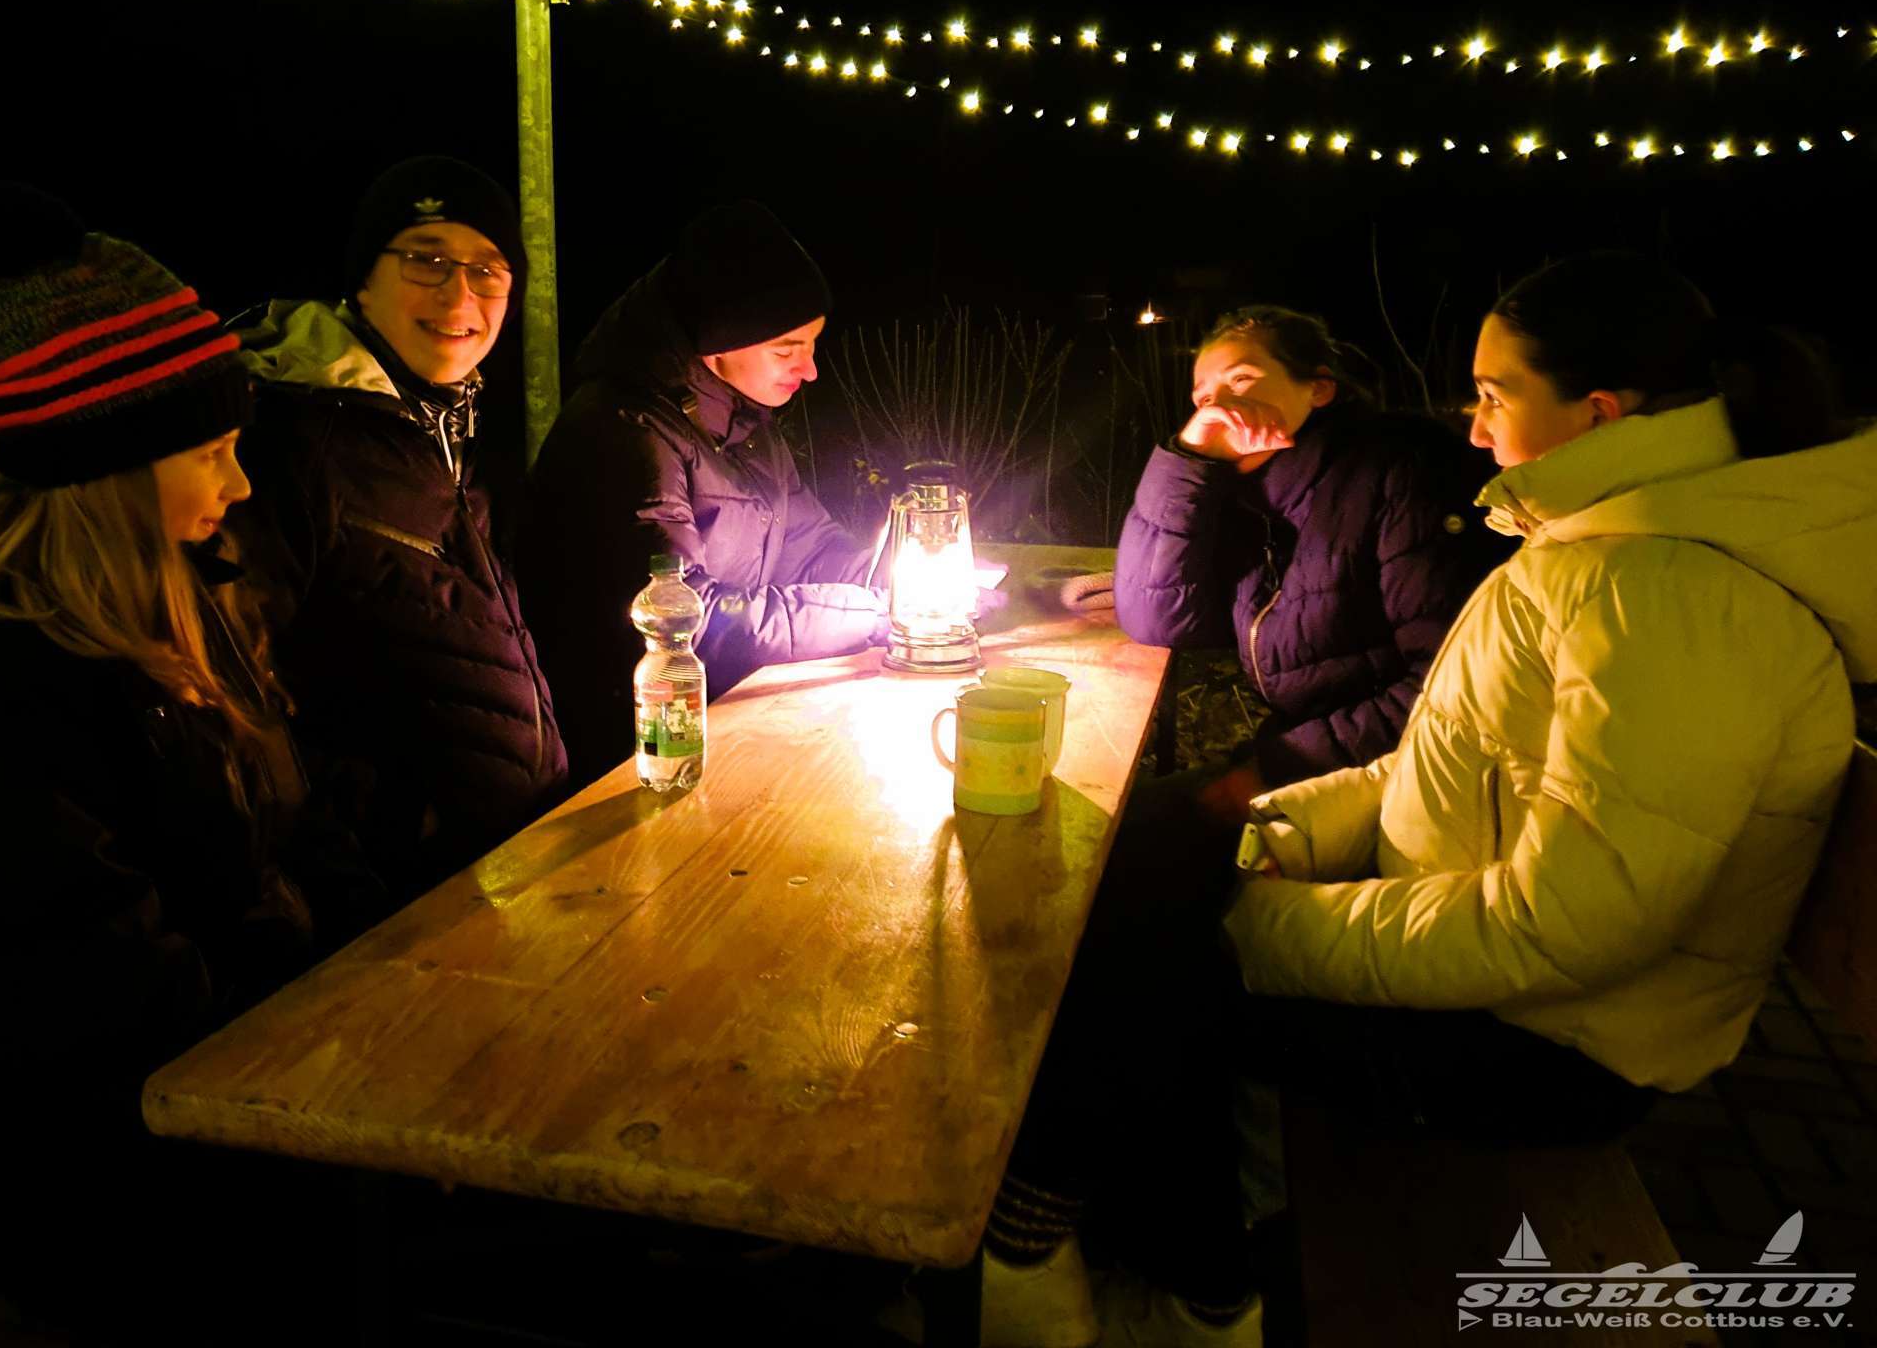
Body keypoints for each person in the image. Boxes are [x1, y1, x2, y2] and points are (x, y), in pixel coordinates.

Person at [980, 253, 1876, 1347]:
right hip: (1485, 957)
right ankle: (1168, 1275)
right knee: (1138, 891)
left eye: (1494, 395)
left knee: (1146, 967)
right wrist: (1282, 827)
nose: (1472, 427)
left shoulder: (1671, 590)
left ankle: (1104, 1267)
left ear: (1599, 412)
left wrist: (1259, 924)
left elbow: (1565, 925)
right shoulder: (1601, 549)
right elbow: (1448, 755)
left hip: (1551, 1050)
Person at [0, 187, 371, 1340]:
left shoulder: (180, 593)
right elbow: (85, 999)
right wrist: (328, 1037)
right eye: (212, 452)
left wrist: (370, 964)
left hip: (213, 1086)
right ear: (105, 473)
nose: (241, 486)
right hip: (59, 1166)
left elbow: (282, 824)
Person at [232, 155, 566, 907]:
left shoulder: (452, 424)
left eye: (488, 271)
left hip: (498, 865)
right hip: (392, 899)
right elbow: (242, 692)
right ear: (362, 279)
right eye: (427, 260)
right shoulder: (294, 438)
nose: (460, 295)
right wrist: (374, 843)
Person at [519, 200, 893, 791]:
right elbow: (683, 622)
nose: (810, 370)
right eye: (787, 349)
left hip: (724, 723)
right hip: (632, 761)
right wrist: (872, 613)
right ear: (718, 343)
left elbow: (811, 544)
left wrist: (906, 578)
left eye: (812, 345)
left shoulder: (743, 424)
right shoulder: (626, 435)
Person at [1115, 306, 1508, 823]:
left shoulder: (1403, 471)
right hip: (1308, 755)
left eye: (1242, 379)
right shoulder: (1253, 498)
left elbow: (1452, 685)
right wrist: (1188, 459)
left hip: (1410, 781)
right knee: (1102, 825)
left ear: (1319, 390)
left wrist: (1278, 769)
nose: (1220, 407)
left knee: (1124, 841)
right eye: (1203, 398)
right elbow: (1157, 619)